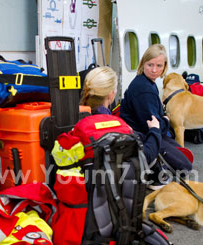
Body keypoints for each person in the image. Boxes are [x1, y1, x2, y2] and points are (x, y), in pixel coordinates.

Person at [120, 44, 192, 172]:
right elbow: (152, 127)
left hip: (145, 132)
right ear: (143, 64)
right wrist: (166, 120)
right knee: (185, 166)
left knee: (183, 153)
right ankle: (155, 175)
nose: (154, 70)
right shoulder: (145, 89)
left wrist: (163, 120)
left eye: (159, 66)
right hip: (142, 137)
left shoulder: (146, 82)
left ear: (164, 67)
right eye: (150, 65)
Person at [80, 66, 161, 164]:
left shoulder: (78, 121)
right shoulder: (117, 127)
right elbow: (146, 156)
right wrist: (155, 130)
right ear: (111, 95)